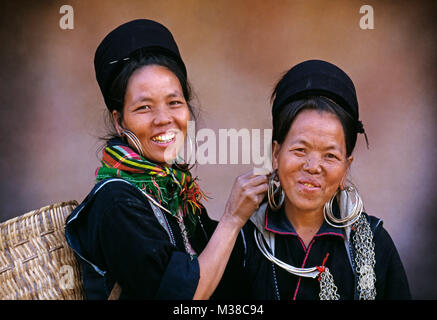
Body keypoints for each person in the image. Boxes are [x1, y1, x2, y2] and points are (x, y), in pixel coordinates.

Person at [64, 19, 268, 300]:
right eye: (144, 107)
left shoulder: (174, 190)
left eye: (174, 102)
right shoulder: (117, 203)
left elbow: (228, 271)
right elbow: (184, 298)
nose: (163, 119)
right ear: (119, 121)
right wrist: (233, 218)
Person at [215, 60, 411, 300]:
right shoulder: (244, 240)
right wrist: (230, 219)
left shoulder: (373, 243)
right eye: (300, 150)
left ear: (346, 168)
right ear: (276, 155)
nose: (313, 167)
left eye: (330, 155)